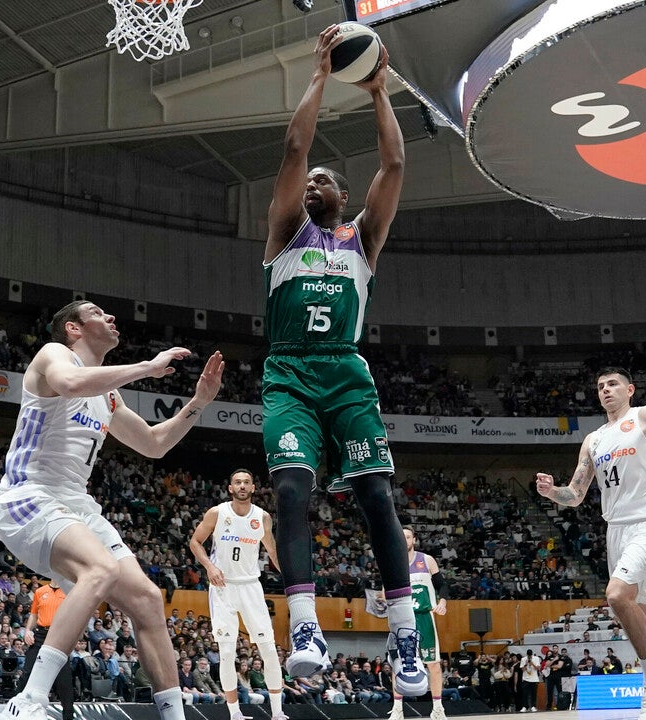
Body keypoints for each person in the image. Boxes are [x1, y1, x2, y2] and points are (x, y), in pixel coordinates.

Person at [260, 22, 426, 698]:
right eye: (307, 180)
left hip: (344, 372)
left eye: (324, 181)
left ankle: (405, 636)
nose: (311, 184)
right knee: (292, 489)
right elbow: (296, 143)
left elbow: (393, 167)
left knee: (375, 496)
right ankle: (304, 625)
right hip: (289, 373)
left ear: (340, 195)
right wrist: (320, 76)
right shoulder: (282, 233)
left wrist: (379, 90)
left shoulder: (361, 239)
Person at [0, 300, 224, 720]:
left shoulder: (108, 394)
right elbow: (70, 383)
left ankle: (174, 716)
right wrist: (147, 366)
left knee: (146, 600)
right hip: (28, 495)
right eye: (97, 313)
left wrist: (198, 402)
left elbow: (153, 444)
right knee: (101, 569)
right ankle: (30, 699)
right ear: (73, 327)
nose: (111, 317)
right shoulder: (54, 355)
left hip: (76, 505)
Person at [536, 367, 646, 720]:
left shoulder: (645, 415)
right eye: (600, 386)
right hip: (616, 531)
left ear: (629, 389)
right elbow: (576, 494)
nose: (605, 390)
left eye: (612, 384)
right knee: (645, 630)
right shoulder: (594, 440)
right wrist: (552, 491)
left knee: (616, 596)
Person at [188, 469, 285, 720]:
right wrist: (210, 567)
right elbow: (195, 542)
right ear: (230, 488)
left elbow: (273, 552)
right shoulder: (217, 513)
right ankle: (235, 714)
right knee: (228, 653)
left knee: (269, 650)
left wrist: (292, 578)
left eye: (246, 482)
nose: (242, 486)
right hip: (223, 587)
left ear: (253, 488)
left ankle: (277, 713)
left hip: (251, 586)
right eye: (237, 482)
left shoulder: (263, 518)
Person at [388, 527, 449, 720]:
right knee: (399, 663)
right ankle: (398, 708)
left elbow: (442, 585)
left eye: (407, 537)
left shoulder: (427, 560)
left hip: (424, 617)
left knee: (433, 664)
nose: (404, 540)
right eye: (401, 537)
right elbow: (384, 591)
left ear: (414, 539)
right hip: (403, 619)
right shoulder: (392, 563)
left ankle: (438, 708)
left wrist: (442, 602)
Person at [18, 580, 75, 719]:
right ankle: (15, 710)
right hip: (39, 635)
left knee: (64, 681)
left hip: (59, 635)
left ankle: (68, 716)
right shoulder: (40, 591)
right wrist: (27, 631)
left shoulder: (69, 591)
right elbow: (33, 614)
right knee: (27, 673)